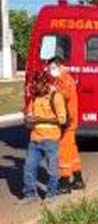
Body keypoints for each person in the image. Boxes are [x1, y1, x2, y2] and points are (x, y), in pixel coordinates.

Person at [20, 69, 67, 203]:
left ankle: (51, 194)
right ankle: (30, 195)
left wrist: (40, 119)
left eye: (38, 84)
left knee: (52, 169)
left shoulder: (55, 97)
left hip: (51, 139)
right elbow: (30, 116)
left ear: (45, 83)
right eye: (35, 84)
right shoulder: (35, 97)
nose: (36, 86)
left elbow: (62, 120)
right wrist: (27, 118)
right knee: (29, 167)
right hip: (35, 139)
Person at [48, 56, 84, 191]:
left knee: (64, 150)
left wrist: (53, 92)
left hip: (67, 121)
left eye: (53, 68)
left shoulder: (65, 80)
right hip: (68, 119)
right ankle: (78, 178)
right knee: (71, 149)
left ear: (60, 67)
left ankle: (64, 181)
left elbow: (66, 94)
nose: (51, 71)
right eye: (50, 68)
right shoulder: (59, 80)